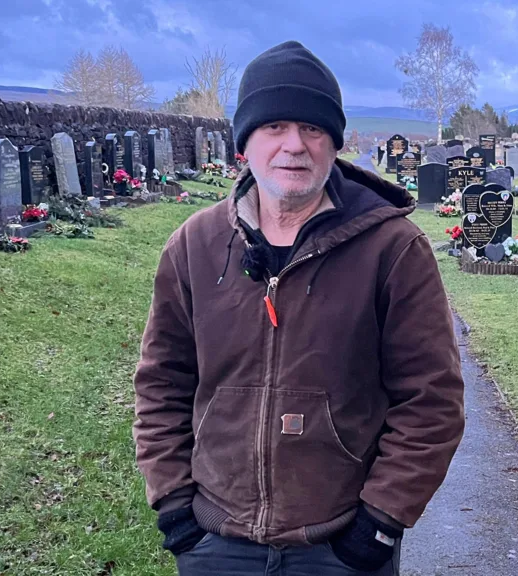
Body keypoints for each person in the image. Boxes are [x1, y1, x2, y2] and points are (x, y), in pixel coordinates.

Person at [133, 40, 465, 576]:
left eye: (313, 129)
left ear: (334, 143)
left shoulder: (393, 250)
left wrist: (380, 521)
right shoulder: (194, 245)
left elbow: (431, 400)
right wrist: (174, 507)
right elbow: (161, 383)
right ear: (245, 142)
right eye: (275, 127)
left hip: (342, 546)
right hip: (216, 542)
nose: (295, 145)